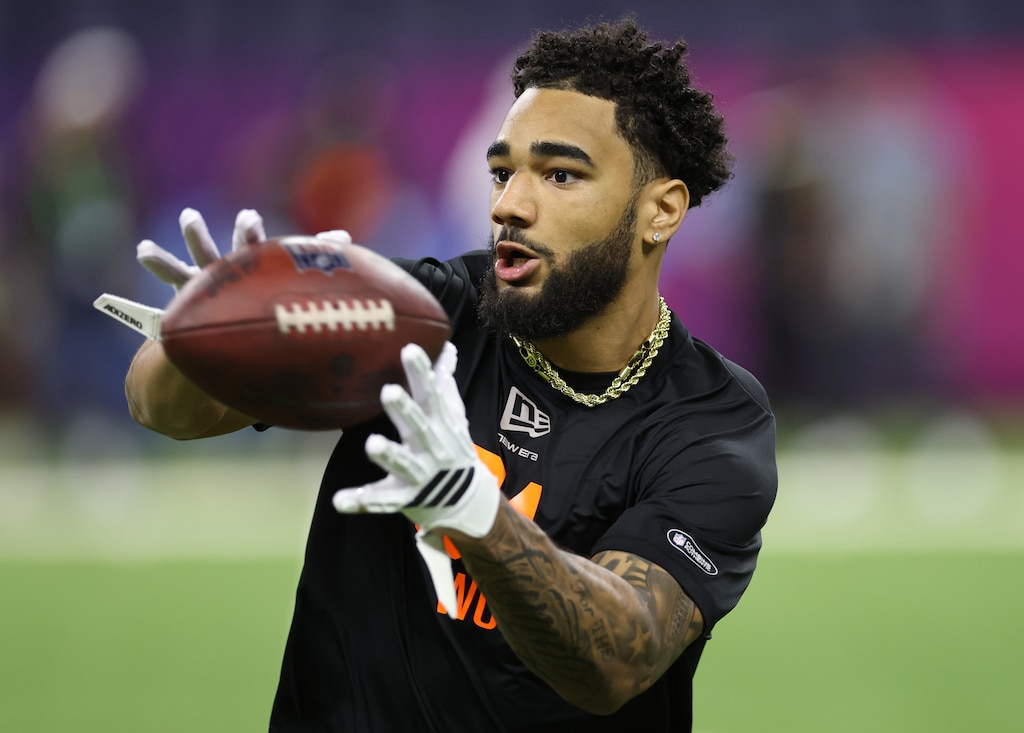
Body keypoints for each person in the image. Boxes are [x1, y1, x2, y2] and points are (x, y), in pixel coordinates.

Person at [122, 18, 777, 732]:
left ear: (660, 210)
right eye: (503, 172)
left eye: (560, 175)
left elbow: (619, 657)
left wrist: (474, 510)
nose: (508, 206)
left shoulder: (713, 420)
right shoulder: (430, 313)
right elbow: (160, 406)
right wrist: (210, 338)